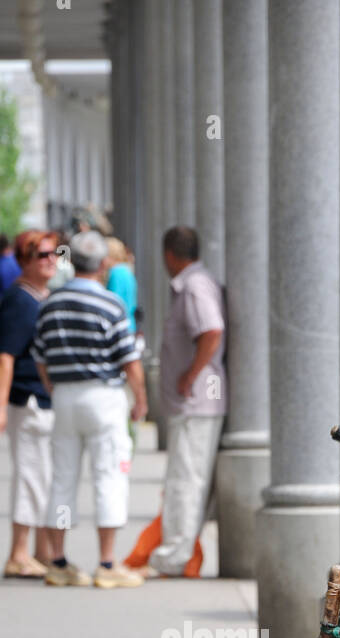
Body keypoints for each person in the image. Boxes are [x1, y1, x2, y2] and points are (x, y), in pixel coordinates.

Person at [32, 229, 148, 589]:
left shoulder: (50, 303)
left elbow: (40, 356)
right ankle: (107, 563)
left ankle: (58, 561)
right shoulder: (111, 305)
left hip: (64, 397)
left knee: (63, 478)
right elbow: (130, 361)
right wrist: (140, 401)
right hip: (103, 398)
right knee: (109, 476)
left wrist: (55, 387)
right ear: (101, 265)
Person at [143, 225, 226, 577]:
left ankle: (174, 556)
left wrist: (190, 374)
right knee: (185, 478)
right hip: (197, 401)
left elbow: (211, 330)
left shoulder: (192, 287)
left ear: (169, 255)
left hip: (196, 401)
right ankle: (178, 552)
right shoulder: (197, 283)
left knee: (186, 480)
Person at [0, 230, 59, 579]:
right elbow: (5, 357)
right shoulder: (19, 299)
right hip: (26, 399)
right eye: (41, 254)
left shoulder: (42, 296)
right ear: (24, 260)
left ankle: (42, 552)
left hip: (44, 400)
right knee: (31, 476)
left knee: (44, 477)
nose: (50, 259)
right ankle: (18, 553)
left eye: (54, 252)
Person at [105, 238, 138, 328]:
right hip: (129, 323)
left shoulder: (115, 273)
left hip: (120, 326)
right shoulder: (126, 270)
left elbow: (114, 301)